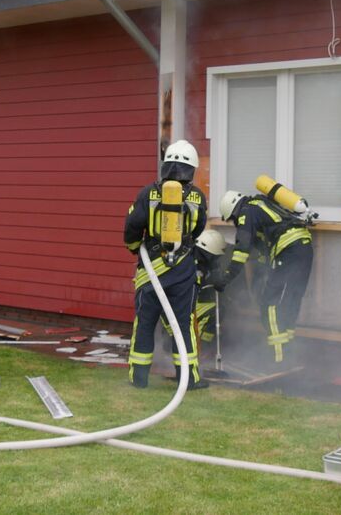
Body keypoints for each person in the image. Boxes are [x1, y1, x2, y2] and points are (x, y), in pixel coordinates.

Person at [123, 140, 208, 389]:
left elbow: (131, 227)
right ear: (191, 168)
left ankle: (138, 379)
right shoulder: (197, 196)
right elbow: (199, 228)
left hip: (151, 271)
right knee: (182, 325)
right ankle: (189, 379)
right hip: (183, 271)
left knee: (145, 324)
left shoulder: (147, 193)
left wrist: (134, 249)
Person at [216, 189, 313, 364]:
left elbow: (242, 249)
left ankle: (278, 361)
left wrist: (227, 276)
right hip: (303, 247)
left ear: (234, 210)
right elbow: (264, 247)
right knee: (290, 301)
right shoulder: (260, 205)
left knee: (269, 305)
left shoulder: (246, 212)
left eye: (232, 219)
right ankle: (289, 354)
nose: (235, 223)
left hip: (289, 250)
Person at [192, 230, 228, 351]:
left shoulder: (198, 258)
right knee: (218, 310)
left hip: (188, 304)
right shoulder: (195, 265)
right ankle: (203, 347)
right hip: (188, 306)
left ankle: (202, 345)